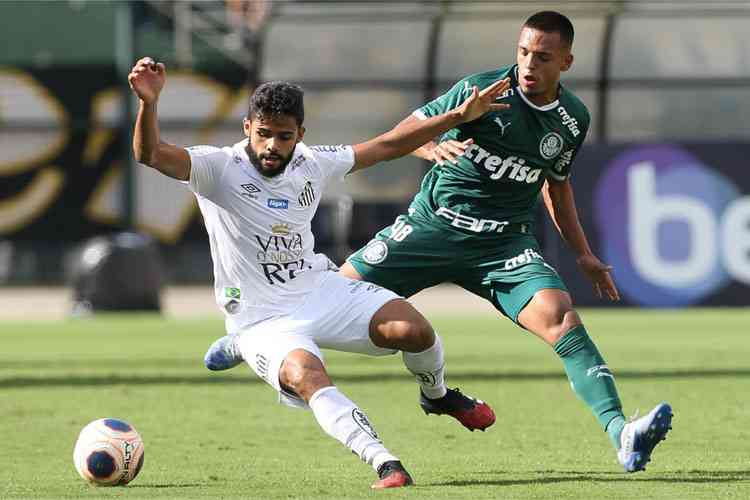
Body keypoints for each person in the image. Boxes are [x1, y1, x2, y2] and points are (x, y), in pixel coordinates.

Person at [128, 56, 508, 489]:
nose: (272, 145)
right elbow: (150, 154)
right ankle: (385, 463)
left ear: (300, 135)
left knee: (414, 330)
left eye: (284, 136)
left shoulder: (312, 162)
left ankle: (437, 395)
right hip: (262, 318)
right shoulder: (217, 168)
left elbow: (385, 146)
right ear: (247, 127)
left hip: (318, 290)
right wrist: (149, 104)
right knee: (307, 376)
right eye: (264, 133)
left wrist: (458, 117)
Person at [340, 11, 673, 473]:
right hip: (432, 227)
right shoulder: (482, 90)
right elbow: (404, 136)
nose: (528, 65)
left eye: (542, 57)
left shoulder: (572, 118)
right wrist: (432, 145)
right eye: (522, 52)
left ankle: (623, 433)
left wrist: (583, 254)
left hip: (503, 245)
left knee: (563, 320)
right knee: (334, 297)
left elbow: (556, 185)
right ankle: (252, 339)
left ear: (566, 62)